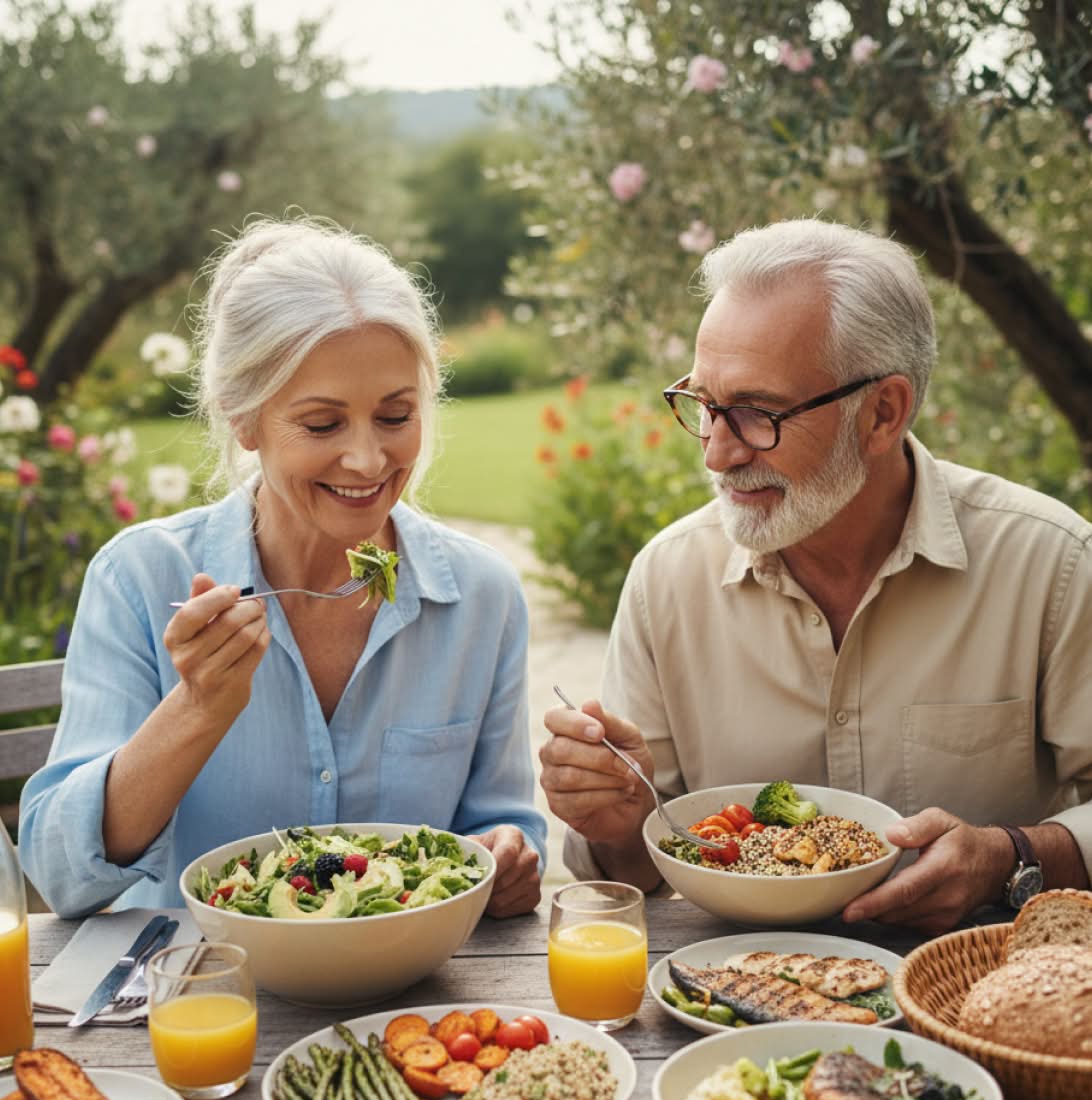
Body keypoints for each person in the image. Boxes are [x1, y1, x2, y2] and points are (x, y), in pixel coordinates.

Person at [540, 218, 1091, 934]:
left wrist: (1012, 853)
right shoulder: (667, 580)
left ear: (883, 413)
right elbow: (631, 869)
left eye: (756, 413)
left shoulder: (1050, 563)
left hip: (971, 995)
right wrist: (617, 818)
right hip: (730, 1008)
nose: (716, 454)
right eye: (704, 406)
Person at [20, 216, 544, 918]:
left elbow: (500, 826)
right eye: (323, 425)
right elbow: (58, 874)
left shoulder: (482, 596)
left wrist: (507, 856)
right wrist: (198, 710)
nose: (366, 460)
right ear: (243, 418)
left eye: (395, 416)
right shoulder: (141, 578)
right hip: (204, 997)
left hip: (408, 1006)